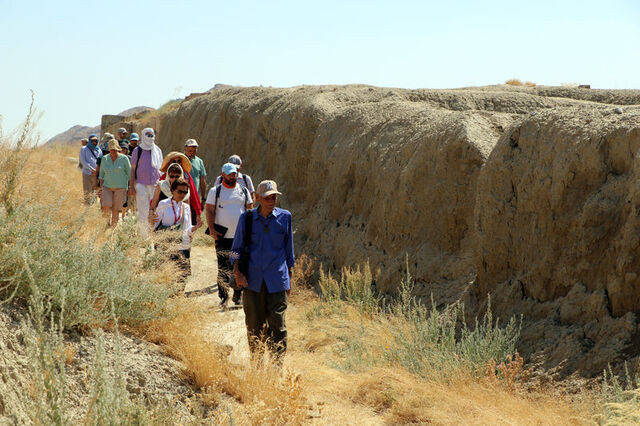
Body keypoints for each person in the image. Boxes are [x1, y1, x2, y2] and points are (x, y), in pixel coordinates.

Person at [232, 180, 294, 360]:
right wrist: (237, 272)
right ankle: (257, 367)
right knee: (254, 327)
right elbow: (236, 251)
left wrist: (289, 278)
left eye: (274, 197)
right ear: (257, 198)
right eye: (267, 197)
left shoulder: (285, 217)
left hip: (277, 281)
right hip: (253, 282)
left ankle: (276, 369)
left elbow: (289, 251)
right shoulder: (247, 218)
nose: (271, 201)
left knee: (279, 327)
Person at [206, 163, 253, 306]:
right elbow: (209, 211)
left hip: (239, 238)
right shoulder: (216, 191)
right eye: (230, 174)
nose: (233, 176)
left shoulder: (243, 190)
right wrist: (212, 230)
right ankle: (223, 296)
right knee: (223, 266)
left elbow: (249, 210)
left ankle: (237, 296)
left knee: (240, 266)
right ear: (223, 174)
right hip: (222, 237)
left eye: (234, 174)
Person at [152, 177, 193, 283]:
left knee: (182, 276)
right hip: (166, 244)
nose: (182, 194)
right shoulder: (163, 203)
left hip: (182, 244)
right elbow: (155, 224)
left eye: (185, 192)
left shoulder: (186, 207)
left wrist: (194, 230)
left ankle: (178, 296)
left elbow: (188, 227)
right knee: (165, 275)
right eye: (180, 191)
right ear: (172, 191)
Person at [129, 128, 163, 237]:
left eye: (151, 134)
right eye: (147, 134)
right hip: (141, 185)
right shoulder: (137, 150)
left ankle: (153, 235)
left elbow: (161, 168)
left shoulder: (157, 150)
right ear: (143, 135)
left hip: (155, 185)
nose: (149, 136)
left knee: (154, 211)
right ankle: (144, 237)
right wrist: (131, 186)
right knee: (143, 211)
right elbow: (133, 169)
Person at [159, 152, 203, 228]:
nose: (176, 163)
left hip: (180, 213)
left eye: (179, 161)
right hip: (165, 215)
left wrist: (198, 213)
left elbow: (193, 195)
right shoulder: (164, 178)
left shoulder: (187, 177)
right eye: (174, 161)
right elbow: (155, 199)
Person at [98, 139, 131, 227]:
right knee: (106, 205)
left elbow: (129, 174)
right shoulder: (105, 159)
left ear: (118, 149)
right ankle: (106, 224)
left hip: (120, 188)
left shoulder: (124, 158)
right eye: (111, 149)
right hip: (106, 187)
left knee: (116, 209)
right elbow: (101, 175)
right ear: (109, 149)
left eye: (115, 149)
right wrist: (100, 188)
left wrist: (129, 187)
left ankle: (113, 228)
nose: (113, 151)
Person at [79, 133, 103, 204]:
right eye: (93, 140)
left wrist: (98, 171)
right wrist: (91, 169)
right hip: (87, 173)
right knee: (87, 192)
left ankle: (93, 208)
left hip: (96, 174)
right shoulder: (84, 149)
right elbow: (83, 161)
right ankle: (87, 209)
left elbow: (100, 161)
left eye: (96, 140)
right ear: (89, 141)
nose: (94, 142)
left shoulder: (98, 150)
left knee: (94, 192)